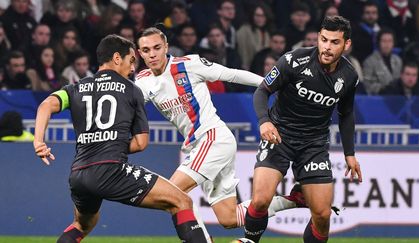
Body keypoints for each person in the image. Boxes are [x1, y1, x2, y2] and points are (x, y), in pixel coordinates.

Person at [33, 34, 207, 243]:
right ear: (117, 58)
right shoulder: (132, 90)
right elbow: (141, 142)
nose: (133, 68)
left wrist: (38, 141)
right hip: (110, 170)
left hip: (79, 174)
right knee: (182, 201)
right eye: (131, 60)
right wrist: (111, 145)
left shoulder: (76, 87)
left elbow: (46, 105)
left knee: (83, 224)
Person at [135, 27, 302, 243]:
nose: (152, 54)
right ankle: (295, 200)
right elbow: (129, 104)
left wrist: (271, 84)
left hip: (213, 139)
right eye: (146, 50)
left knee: (172, 192)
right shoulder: (143, 80)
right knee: (229, 217)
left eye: (157, 48)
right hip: (198, 146)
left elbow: (232, 74)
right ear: (140, 53)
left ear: (166, 47)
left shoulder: (188, 64)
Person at [243, 16, 363, 242]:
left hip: (314, 145)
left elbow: (346, 114)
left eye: (334, 42)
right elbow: (262, 91)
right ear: (318, 37)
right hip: (279, 136)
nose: (327, 47)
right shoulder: (293, 60)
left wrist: (350, 154)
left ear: (346, 44)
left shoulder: (349, 76)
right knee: (259, 201)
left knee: (322, 214)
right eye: (324, 39)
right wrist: (264, 120)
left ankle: (304, 192)